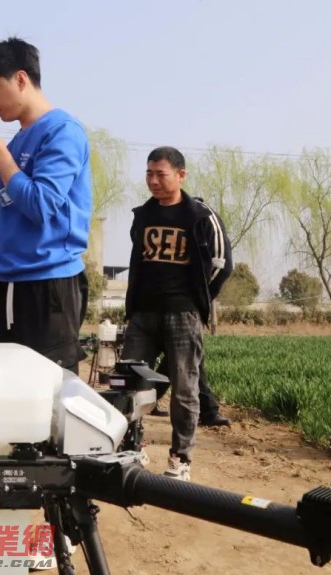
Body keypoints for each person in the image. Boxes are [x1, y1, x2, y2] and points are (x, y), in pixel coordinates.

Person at [0, 37, 93, 375]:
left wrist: (2, 157)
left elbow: (41, 206)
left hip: (49, 285)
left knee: (47, 390)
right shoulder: (16, 143)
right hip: (5, 286)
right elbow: (1, 225)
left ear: (20, 79)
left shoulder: (63, 132)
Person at [122, 146, 232, 482]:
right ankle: (131, 447)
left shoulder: (200, 216)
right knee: (130, 383)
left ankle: (180, 458)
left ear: (180, 175)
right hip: (143, 314)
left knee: (185, 389)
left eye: (161, 174)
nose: (153, 181)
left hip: (182, 314)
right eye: (149, 174)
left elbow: (221, 264)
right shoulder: (143, 215)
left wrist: (197, 299)